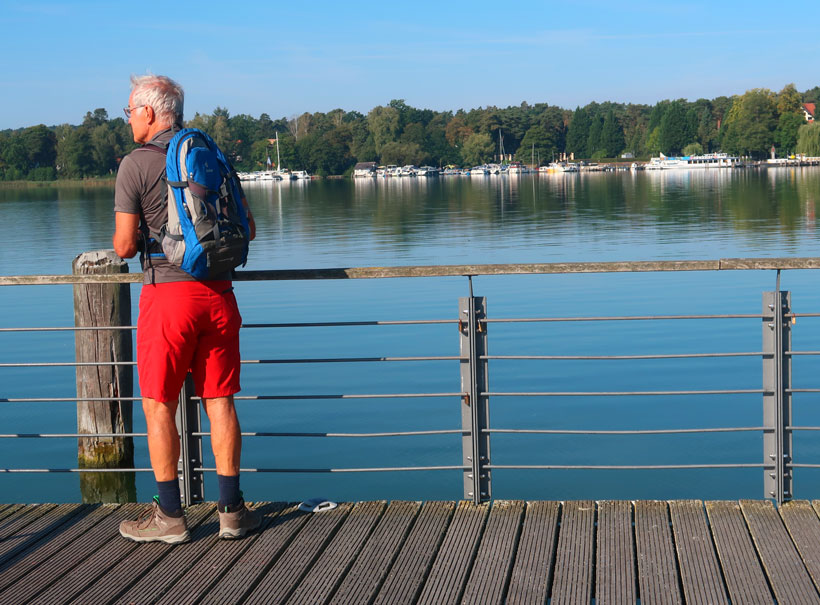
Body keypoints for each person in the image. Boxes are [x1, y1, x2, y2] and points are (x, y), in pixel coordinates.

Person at [113, 74, 260, 543]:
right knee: (220, 401)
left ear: (150, 112)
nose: (129, 118)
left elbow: (120, 247)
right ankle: (232, 513)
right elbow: (249, 228)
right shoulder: (211, 155)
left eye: (130, 110)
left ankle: (170, 518)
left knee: (158, 404)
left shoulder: (134, 164)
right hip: (219, 296)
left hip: (169, 298)